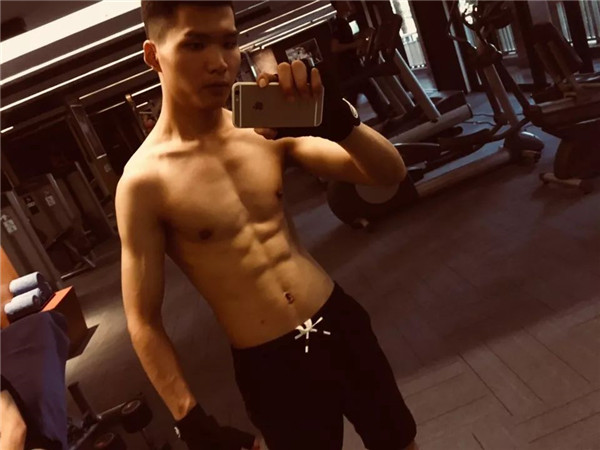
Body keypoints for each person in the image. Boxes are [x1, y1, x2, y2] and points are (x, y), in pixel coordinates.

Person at [118, 2, 418, 449]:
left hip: (339, 321)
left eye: (228, 42)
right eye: (195, 45)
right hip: (271, 365)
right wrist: (190, 418)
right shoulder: (143, 183)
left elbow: (389, 173)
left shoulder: (263, 126)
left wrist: (340, 123)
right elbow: (143, 320)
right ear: (153, 55)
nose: (219, 62)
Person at [329, 1, 391, 124]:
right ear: (339, 4)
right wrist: (355, 44)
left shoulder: (343, 22)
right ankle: (384, 117)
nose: (348, 3)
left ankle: (381, 117)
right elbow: (334, 48)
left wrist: (360, 37)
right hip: (349, 68)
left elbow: (345, 41)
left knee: (360, 94)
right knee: (368, 91)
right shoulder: (340, 23)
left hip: (351, 67)